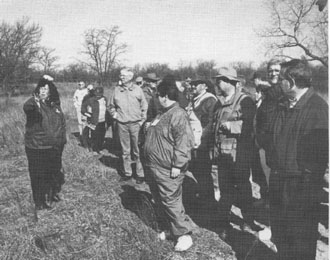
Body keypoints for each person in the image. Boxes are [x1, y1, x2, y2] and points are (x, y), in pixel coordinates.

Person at [267, 59, 328, 260]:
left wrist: (305, 188)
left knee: (300, 241)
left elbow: (318, 157)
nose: (279, 83)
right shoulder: (282, 104)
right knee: (281, 235)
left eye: (282, 79)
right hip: (279, 181)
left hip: (301, 188)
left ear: (292, 82)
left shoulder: (317, 108)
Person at [143, 77, 196, 252]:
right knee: (160, 200)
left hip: (169, 169)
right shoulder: (162, 113)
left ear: (164, 96)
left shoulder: (178, 114)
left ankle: (184, 234)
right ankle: (171, 229)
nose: (156, 98)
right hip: (155, 167)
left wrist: (177, 165)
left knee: (171, 201)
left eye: (158, 95)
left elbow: (184, 142)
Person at [211, 67, 257, 239]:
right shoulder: (219, 102)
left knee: (243, 189)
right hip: (222, 155)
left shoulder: (245, 101)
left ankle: (248, 221)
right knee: (225, 190)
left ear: (231, 82)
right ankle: (223, 224)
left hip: (239, 156)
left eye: (220, 80)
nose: (217, 83)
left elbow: (253, 126)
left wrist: (233, 126)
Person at [23, 75, 66, 210]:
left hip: (54, 146)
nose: (43, 91)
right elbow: (27, 107)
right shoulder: (34, 104)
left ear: (50, 91)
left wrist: (62, 141)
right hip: (37, 147)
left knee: (52, 172)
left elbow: (61, 124)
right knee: (38, 175)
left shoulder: (55, 104)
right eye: (41, 88)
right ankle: (40, 201)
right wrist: (35, 102)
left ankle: (51, 195)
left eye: (46, 89)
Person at [108, 68, 148, 184]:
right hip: (122, 124)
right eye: (120, 75)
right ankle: (128, 173)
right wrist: (115, 115)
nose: (121, 77)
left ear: (130, 77)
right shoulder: (116, 90)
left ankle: (140, 174)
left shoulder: (138, 90)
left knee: (137, 150)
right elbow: (110, 106)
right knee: (125, 151)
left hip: (136, 124)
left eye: (123, 75)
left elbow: (144, 106)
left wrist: (142, 120)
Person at [187, 80, 218, 201]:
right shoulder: (194, 99)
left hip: (202, 142)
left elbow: (210, 123)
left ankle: (208, 199)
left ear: (204, 86)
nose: (193, 86)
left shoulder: (209, 100)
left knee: (204, 171)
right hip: (193, 140)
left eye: (197, 84)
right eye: (192, 84)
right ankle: (202, 194)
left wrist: (203, 141)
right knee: (196, 169)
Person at [83, 86, 107, 155]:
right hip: (94, 121)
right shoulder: (90, 100)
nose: (98, 96)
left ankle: (99, 148)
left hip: (103, 121)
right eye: (96, 94)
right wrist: (88, 114)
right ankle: (94, 149)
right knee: (94, 136)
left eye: (99, 94)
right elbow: (83, 108)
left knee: (101, 135)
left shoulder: (104, 99)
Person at [81, 84, 95, 150]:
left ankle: (92, 145)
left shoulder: (96, 97)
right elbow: (83, 107)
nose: (91, 91)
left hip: (93, 117)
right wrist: (85, 113)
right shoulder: (86, 97)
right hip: (86, 116)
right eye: (89, 90)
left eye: (92, 90)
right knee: (85, 131)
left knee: (93, 131)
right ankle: (86, 145)